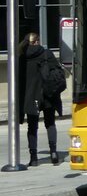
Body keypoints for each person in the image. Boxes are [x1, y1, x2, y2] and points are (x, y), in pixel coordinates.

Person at [16, 31, 62, 166]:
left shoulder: (22, 57)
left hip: (31, 96)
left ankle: (34, 158)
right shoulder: (47, 54)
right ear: (37, 41)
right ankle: (53, 152)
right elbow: (57, 72)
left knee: (32, 126)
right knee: (50, 123)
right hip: (48, 94)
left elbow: (19, 80)